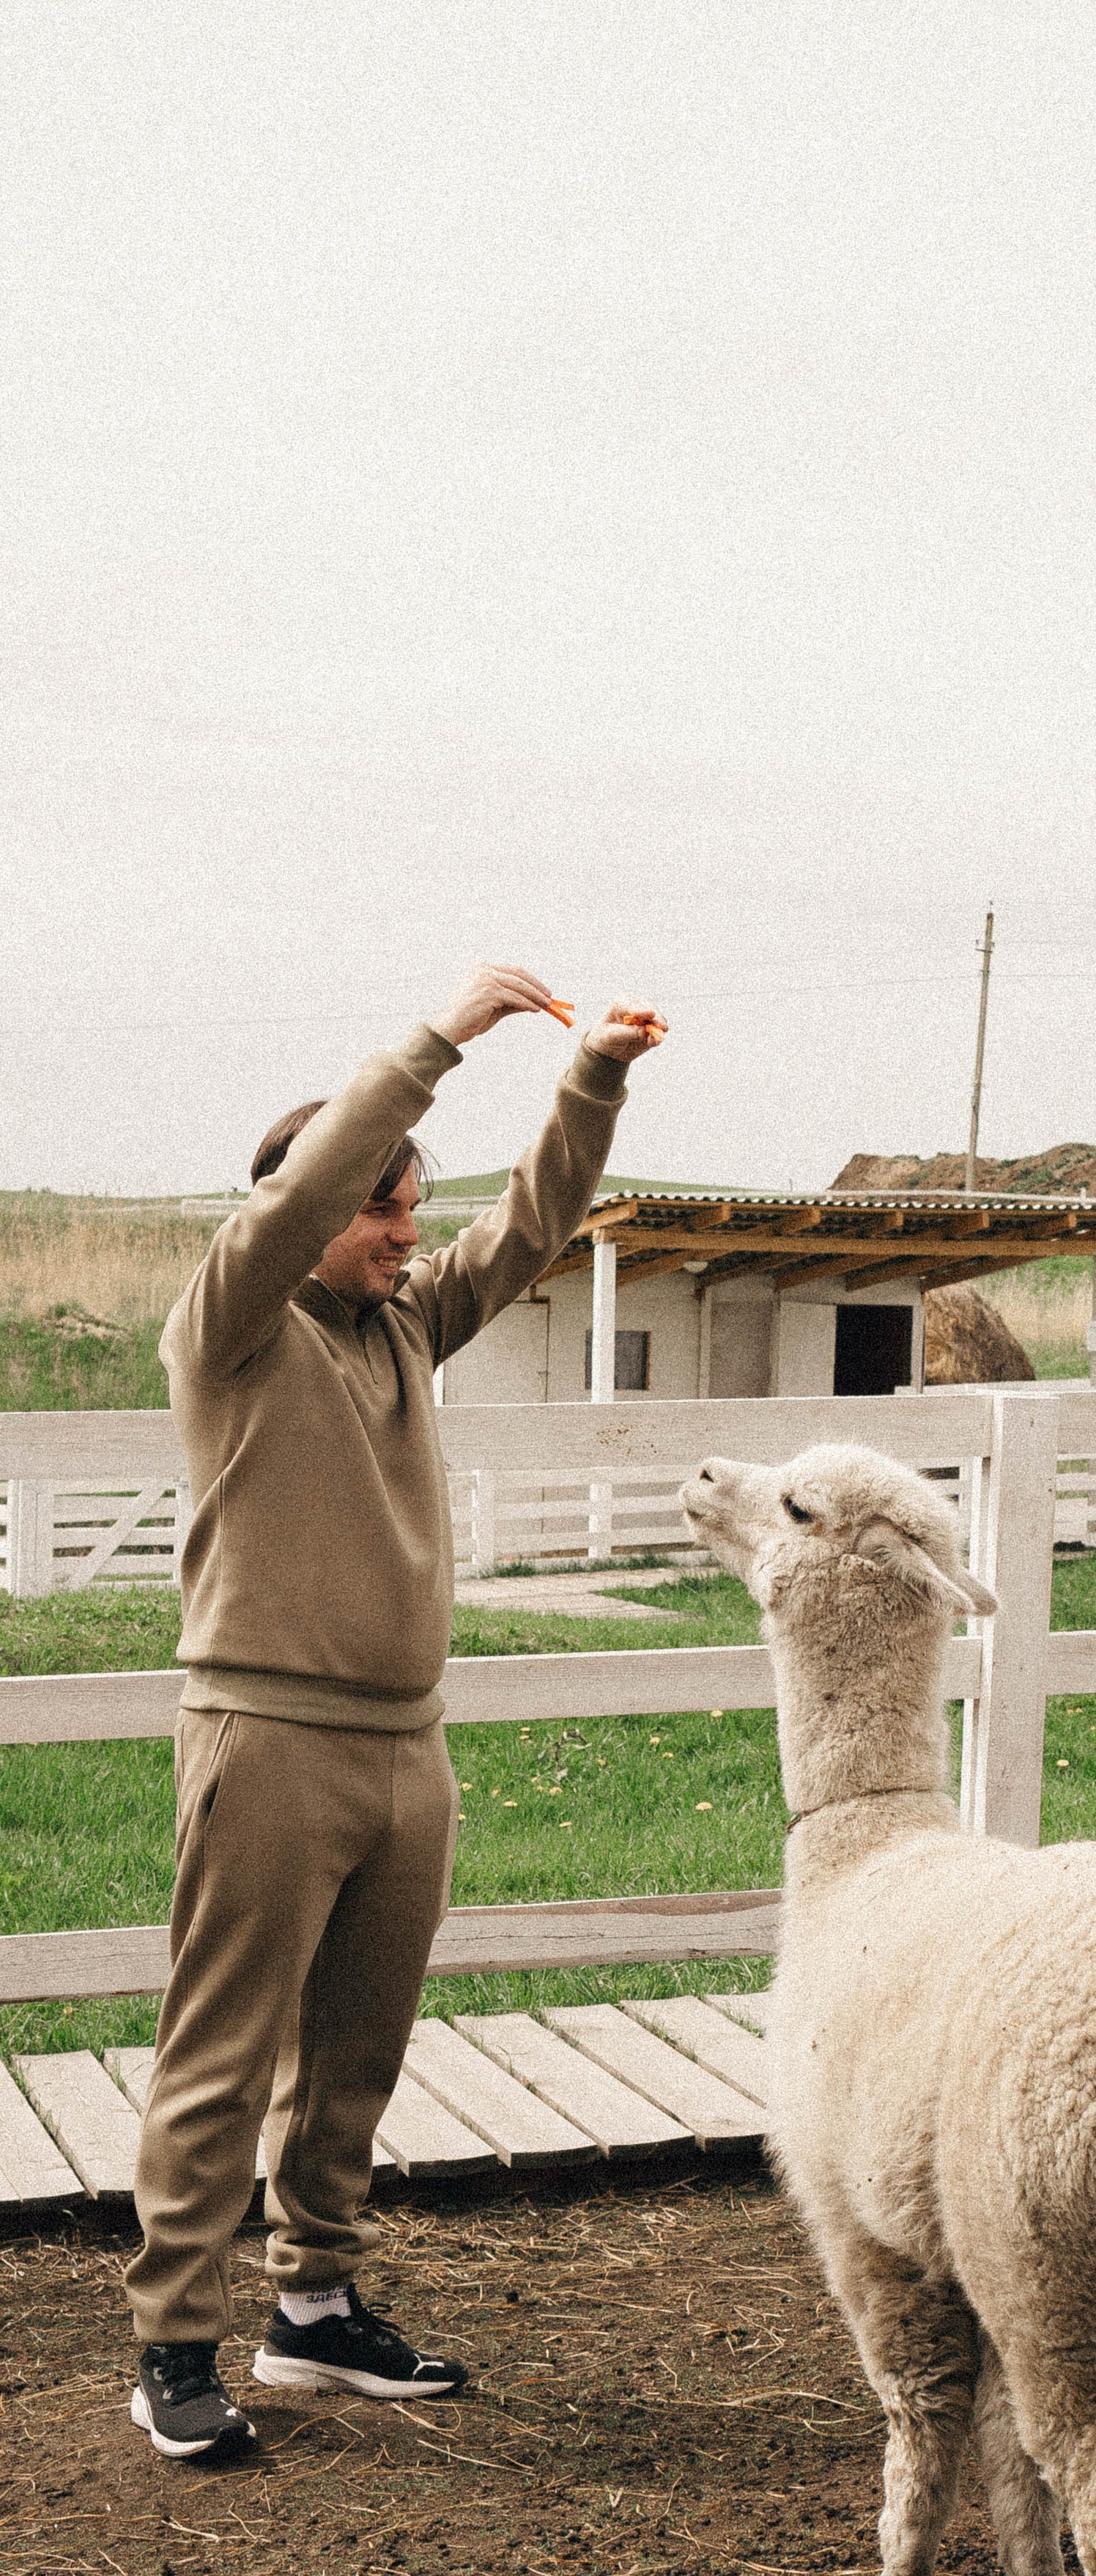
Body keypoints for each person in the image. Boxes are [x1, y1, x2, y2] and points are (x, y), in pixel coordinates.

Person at [125, 962, 665, 2459]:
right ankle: (172, 2340)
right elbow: (298, 1206)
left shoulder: (403, 1331)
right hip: (267, 1740)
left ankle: (312, 2311)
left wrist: (591, 1082)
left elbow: (532, 1226)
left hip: (402, 1746)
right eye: (381, 1208)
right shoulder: (231, 1328)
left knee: (355, 2056)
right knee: (221, 2054)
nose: (405, 1234)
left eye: (413, 1209)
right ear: (307, 1203)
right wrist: (444, 1042)